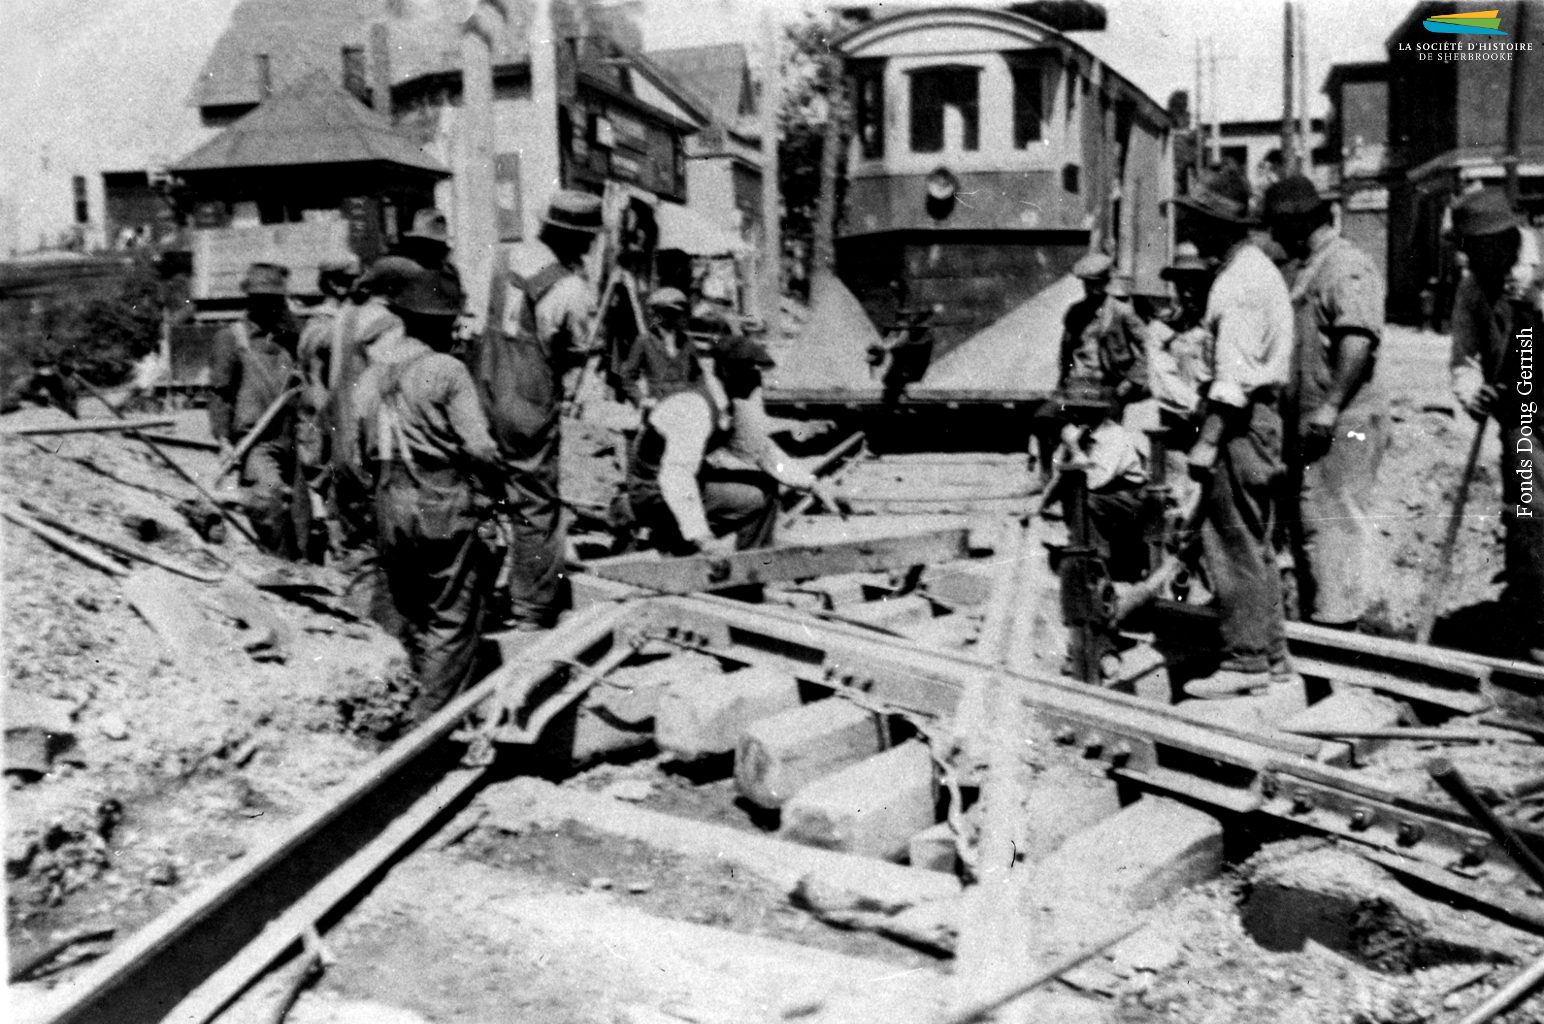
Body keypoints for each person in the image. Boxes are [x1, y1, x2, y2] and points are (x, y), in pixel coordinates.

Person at [351, 264, 506, 726]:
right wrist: (496, 496)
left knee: (406, 606)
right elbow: (479, 447)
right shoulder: (447, 371)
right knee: (454, 614)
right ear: (441, 323)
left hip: (388, 501)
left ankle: (394, 699)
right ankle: (430, 722)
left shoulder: (372, 376)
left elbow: (358, 449)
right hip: (440, 497)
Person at [1169, 167, 1296, 697]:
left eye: (1200, 221)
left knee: (1232, 539)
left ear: (1223, 226)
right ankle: (1272, 655)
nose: (1193, 231)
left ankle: (1245, 662)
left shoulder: (1238, 283)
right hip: (1259, 420)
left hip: (1241, 424)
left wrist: (1206, 442)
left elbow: (1232, 383)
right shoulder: (1253, 270)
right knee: (1256, 539)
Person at [470, 190, 602, 630]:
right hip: (527, 401)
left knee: (482, 496)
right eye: (587, 241)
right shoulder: (569, 288)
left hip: (481, 389)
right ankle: (531, 608)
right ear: (576, 239)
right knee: (535, 505)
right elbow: (576, 355)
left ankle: (475, 598)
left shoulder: (499, 261)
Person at [1263, 175, 1388, 631]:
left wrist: (1330, 406)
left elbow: (1357, 339)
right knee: (1313, 527)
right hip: (1316, 425)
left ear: (1299, 225)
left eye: (1278, 228)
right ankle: (1324, 629)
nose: (1275, 239)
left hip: (1344, 422)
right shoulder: (1311, 266)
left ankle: (1341, 639)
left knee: (1333, 528)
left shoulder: (1345, 265)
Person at [626, 333, 840, 555]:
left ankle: (747, 570)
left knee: (766, 485)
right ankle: (679, 543)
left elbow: (762, 452)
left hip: (680, 482)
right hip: (652, 491)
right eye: (750, 370)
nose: (757, 379)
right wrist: (701, 536)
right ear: (727, 371)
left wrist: (812, 484)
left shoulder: (730, 401)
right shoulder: (696, 405)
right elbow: (676, 476)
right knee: (753, 498)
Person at [1447, 187, 1544, 661]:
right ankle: (1533, 623)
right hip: (1521, 416)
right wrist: (1473, 390)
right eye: (1471, 246)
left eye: (1487, 244)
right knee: (1529, 515)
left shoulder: (1541, 263)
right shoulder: (1472, 287)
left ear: (1509, 235)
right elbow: (1463, 357)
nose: (1479, 255)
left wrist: (1541, 300)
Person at [207, 262, 308, 558]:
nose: (270, 306)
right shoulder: (232, 338)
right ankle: (279, 564)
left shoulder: (292, 337)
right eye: (262, 299)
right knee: (269, 498)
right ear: (249, 300)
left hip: (293, 436)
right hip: (256, 441)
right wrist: (223, 439)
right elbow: (220, 394)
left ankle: (301, 568)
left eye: (276, 300)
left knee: (300, 513)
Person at [1031, 252, 1149, 491]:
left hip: (1108, 384)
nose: (1091, 289)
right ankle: (1044, 475)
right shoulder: (1075, 313)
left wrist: (1133, 379)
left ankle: (1100, 479)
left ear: (1107, 281)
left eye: (1096, 283)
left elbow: (1150, 347)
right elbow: (1066, 352)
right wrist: (1061, 383)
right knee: (1044, 417)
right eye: (1087, 283)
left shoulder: (1121, 311)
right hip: (1079, 384)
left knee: (1107, 429)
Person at [619, 286, 700, 406]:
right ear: (657, 314)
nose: (671, 318)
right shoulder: (645, 341)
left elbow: (698, 376)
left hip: (684, 407)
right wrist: (641, 400)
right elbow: (627, 377)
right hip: (657, 407)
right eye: (666, 312)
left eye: (676, 313)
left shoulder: (687, 342)